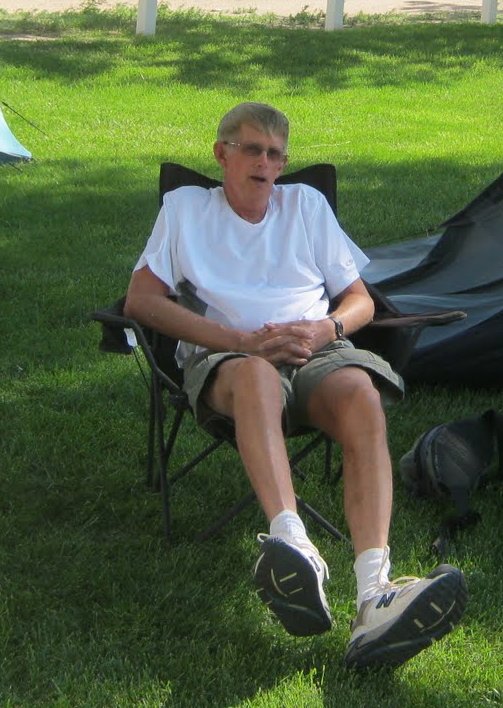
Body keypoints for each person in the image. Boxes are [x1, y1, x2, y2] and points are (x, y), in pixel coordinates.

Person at [124, 102, 468, 670]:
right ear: (222, 154)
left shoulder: (305, 206)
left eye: (275, 154)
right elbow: (140, 300)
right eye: (252, 149)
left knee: (361, 395)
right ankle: (295, 546)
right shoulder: (185, 209)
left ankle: (373, 595)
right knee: (258, 375)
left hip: (315, 353)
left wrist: (325, 328)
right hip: (230, 359)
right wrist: (242, 341)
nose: (265, 162)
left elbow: (360, 300)